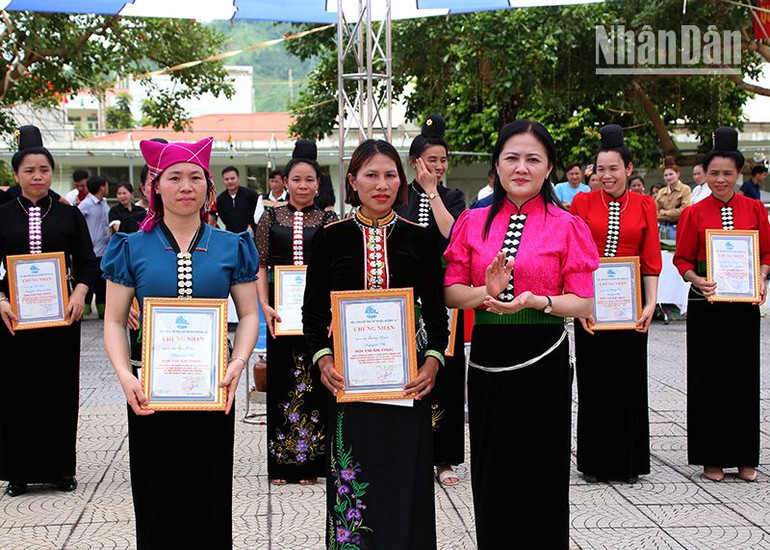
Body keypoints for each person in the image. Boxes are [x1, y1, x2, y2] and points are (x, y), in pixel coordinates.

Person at [443, 120, 598, 549]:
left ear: (549, 168)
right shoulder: (471, 223)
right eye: (512, 157)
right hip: (488, 355)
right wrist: (484, 292)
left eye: (533, 159)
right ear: (496, 164)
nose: (521, 167)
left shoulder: (567, 225)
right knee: (493, 466)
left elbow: (583, 302)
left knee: (543, 466)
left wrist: (537, 301)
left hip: (544, 356)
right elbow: (452, 294)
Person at [102, 137, 259, 548]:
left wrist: (237, 365)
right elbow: (115, 321)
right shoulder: (131, 246)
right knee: (156, 495)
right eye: (174, 177)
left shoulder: (232, 245)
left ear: (209, 187)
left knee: (209, 492)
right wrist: (125, 376)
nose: (185, 186)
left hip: (214, 391)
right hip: (149, 394)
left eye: (194, 177)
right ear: (155, 186)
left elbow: (248, 316)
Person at [303, 139, 448, 549]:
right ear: (353, 181)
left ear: (401, 181)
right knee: (355, 473)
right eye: (370, 174)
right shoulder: (330, 238)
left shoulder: (419, 238)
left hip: (407, 380)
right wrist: (324, 360)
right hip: (348, 384)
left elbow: (438, 315)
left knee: (405, 473)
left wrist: (432, 362)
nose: (381, 184)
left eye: (389, 175)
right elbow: (312, 314)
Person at [0, 125, 98, 497]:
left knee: (58, 392)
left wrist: (80, 293)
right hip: (13, 322)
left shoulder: (68, 215)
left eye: (43, 170)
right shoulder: (3, 214)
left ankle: (60, 470)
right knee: (16, 392)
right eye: (30, 170)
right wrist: (1, 300)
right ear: (17, 174)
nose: (37, 176)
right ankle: (19, 472)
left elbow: (88, 263)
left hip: (61, 320)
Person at [673, 127, 770, 483]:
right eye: (714, 173)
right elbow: (681, 260)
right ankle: (711, 457)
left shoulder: (755, 209)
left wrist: (761, 276)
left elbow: (767, 253)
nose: (720, 179)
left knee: (744, 379)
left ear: (739, 175)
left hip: (743, 306)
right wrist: (696, 279)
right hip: (706, 304)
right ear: (705, 175)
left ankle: (746, 457)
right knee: (708, 379)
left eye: (728, 173)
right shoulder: (693, 213)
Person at [571, 125, 662, 484]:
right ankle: (595, 461)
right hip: (592, 300)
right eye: (600, 169)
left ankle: (628, 461)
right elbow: (577, 257)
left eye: (614, 168)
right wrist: (581, 306)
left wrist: (651, 303)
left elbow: (652, 257)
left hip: (630, 301)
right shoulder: (582, 202)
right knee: (593, 381)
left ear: (628, 167)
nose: (606, 176)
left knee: (629, 379)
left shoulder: (644, 204)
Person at [255, 139, 337, 485]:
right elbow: (259, 264)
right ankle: (283, 465)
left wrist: (334, 311)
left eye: (310, 180)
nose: (303, 186)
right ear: (284, 182)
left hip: (317, 312)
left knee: (316, 383)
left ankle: (310, 467)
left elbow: (337, 269)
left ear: (319, 183)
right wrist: (264, 304)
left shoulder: (331, 218)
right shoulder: (271, 215)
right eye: (296, 180)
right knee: (282, 382)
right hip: (281, 312)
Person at [396, 114, 467, 486]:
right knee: (407, 369)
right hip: (406, 298)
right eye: (430, 159)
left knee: (447, 371)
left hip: (445, 294)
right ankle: (409, 451)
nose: (437, 166)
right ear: (414, 162)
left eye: (442, 159)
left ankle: (445, 457)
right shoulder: (399, 194)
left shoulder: (454, 197)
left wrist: (434, 191)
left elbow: (453, 235)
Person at [79, 175, 110, 318]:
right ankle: (85, 310)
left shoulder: (103, 203)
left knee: (102, 282)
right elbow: (77, 219)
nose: (108, 188)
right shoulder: (87, 203)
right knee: (89, 280)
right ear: (102, 187)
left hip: (104, 250)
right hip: (91, 250)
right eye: (106, 185)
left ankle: (102, 310)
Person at [215, 166, 259, 233]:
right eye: (226, 179)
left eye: (232, 178)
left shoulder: (251, 195)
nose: (229, 181)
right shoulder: (221, 199)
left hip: (250, 235)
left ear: (238, 179)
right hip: (231, 234)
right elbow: (222, 217)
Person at [656, 156, 691, 240]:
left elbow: (684, 210)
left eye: (671, 174)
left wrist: (665, 212)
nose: (668, 177)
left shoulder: (685, 189)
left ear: (678, 174)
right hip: (662, 227)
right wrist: (672, 214)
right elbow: (655, 212)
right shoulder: (661, 191)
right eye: (665, 175)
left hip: (677, 227)